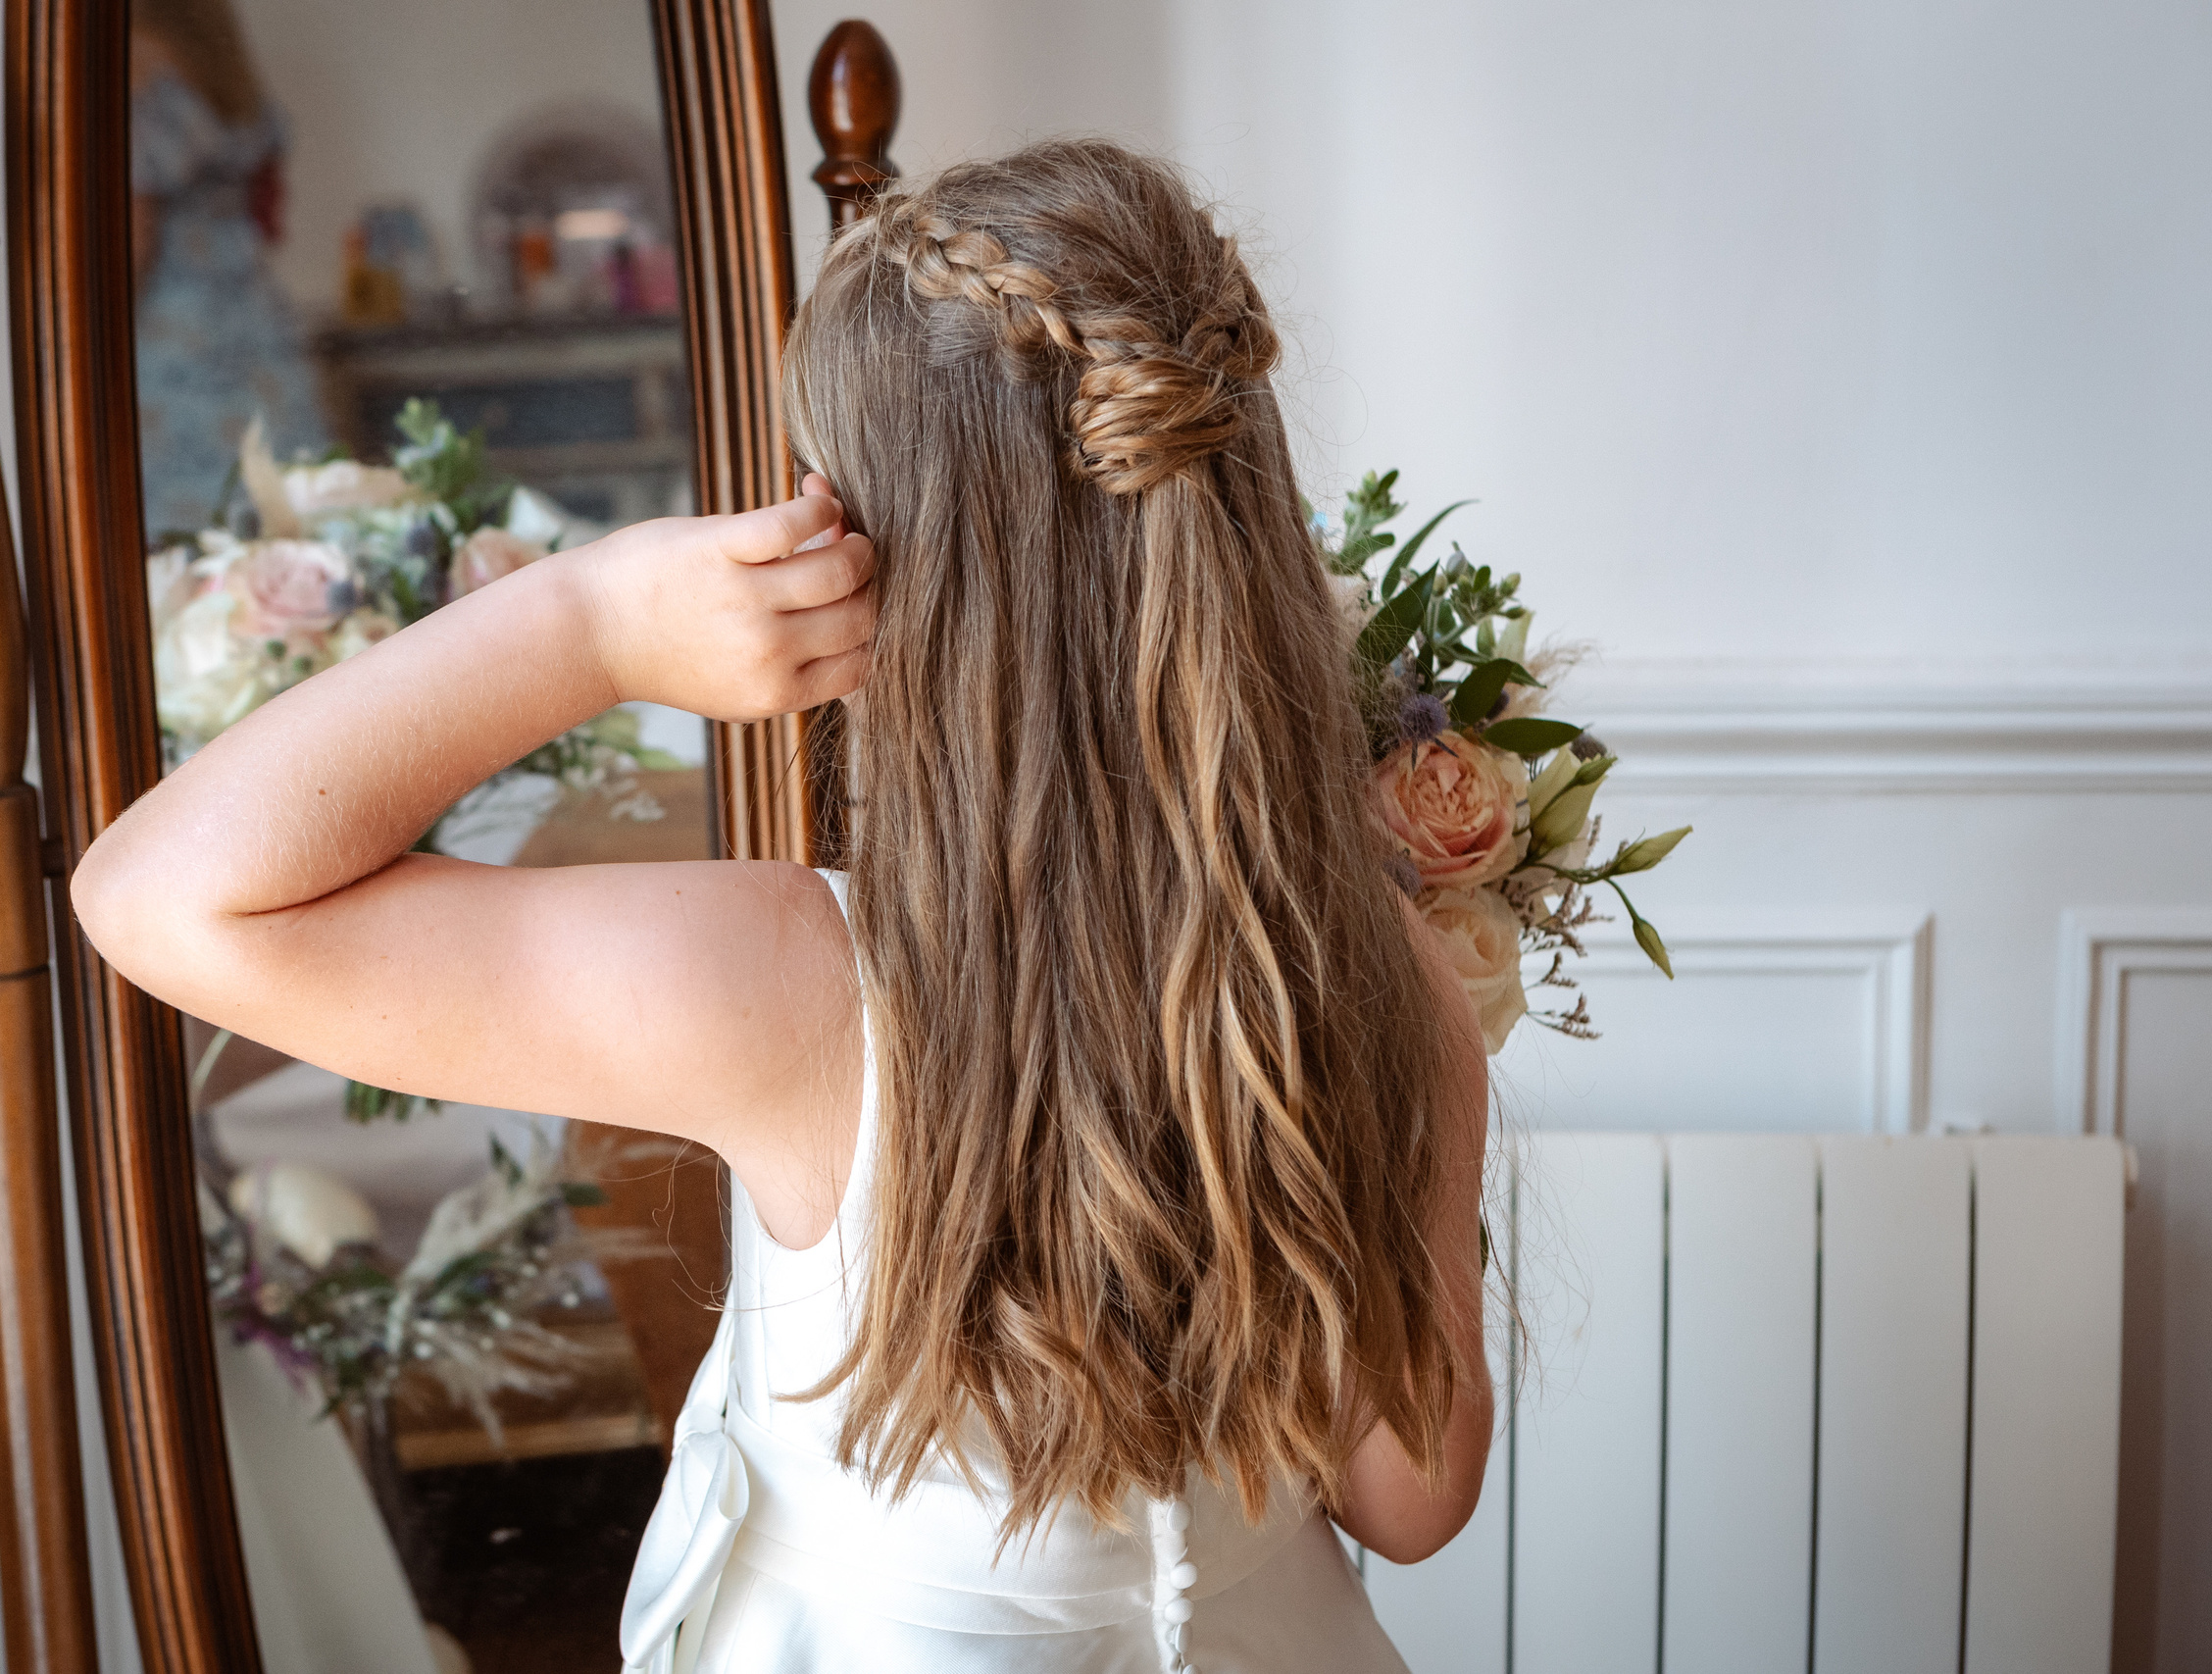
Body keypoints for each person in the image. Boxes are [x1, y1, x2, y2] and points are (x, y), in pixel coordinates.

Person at [75, 140, 1491, 1674]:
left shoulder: (796, 987)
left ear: (873, 565)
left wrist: (592, 617)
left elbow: (157, 897)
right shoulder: (1392, 980)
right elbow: (1411, 1497)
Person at [130, 0, 327, 539]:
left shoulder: (139, 72)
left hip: (178, 334)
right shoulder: (224, 74)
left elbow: (136, 237)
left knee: (196, 530)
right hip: (257, 317)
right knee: (280, 509)